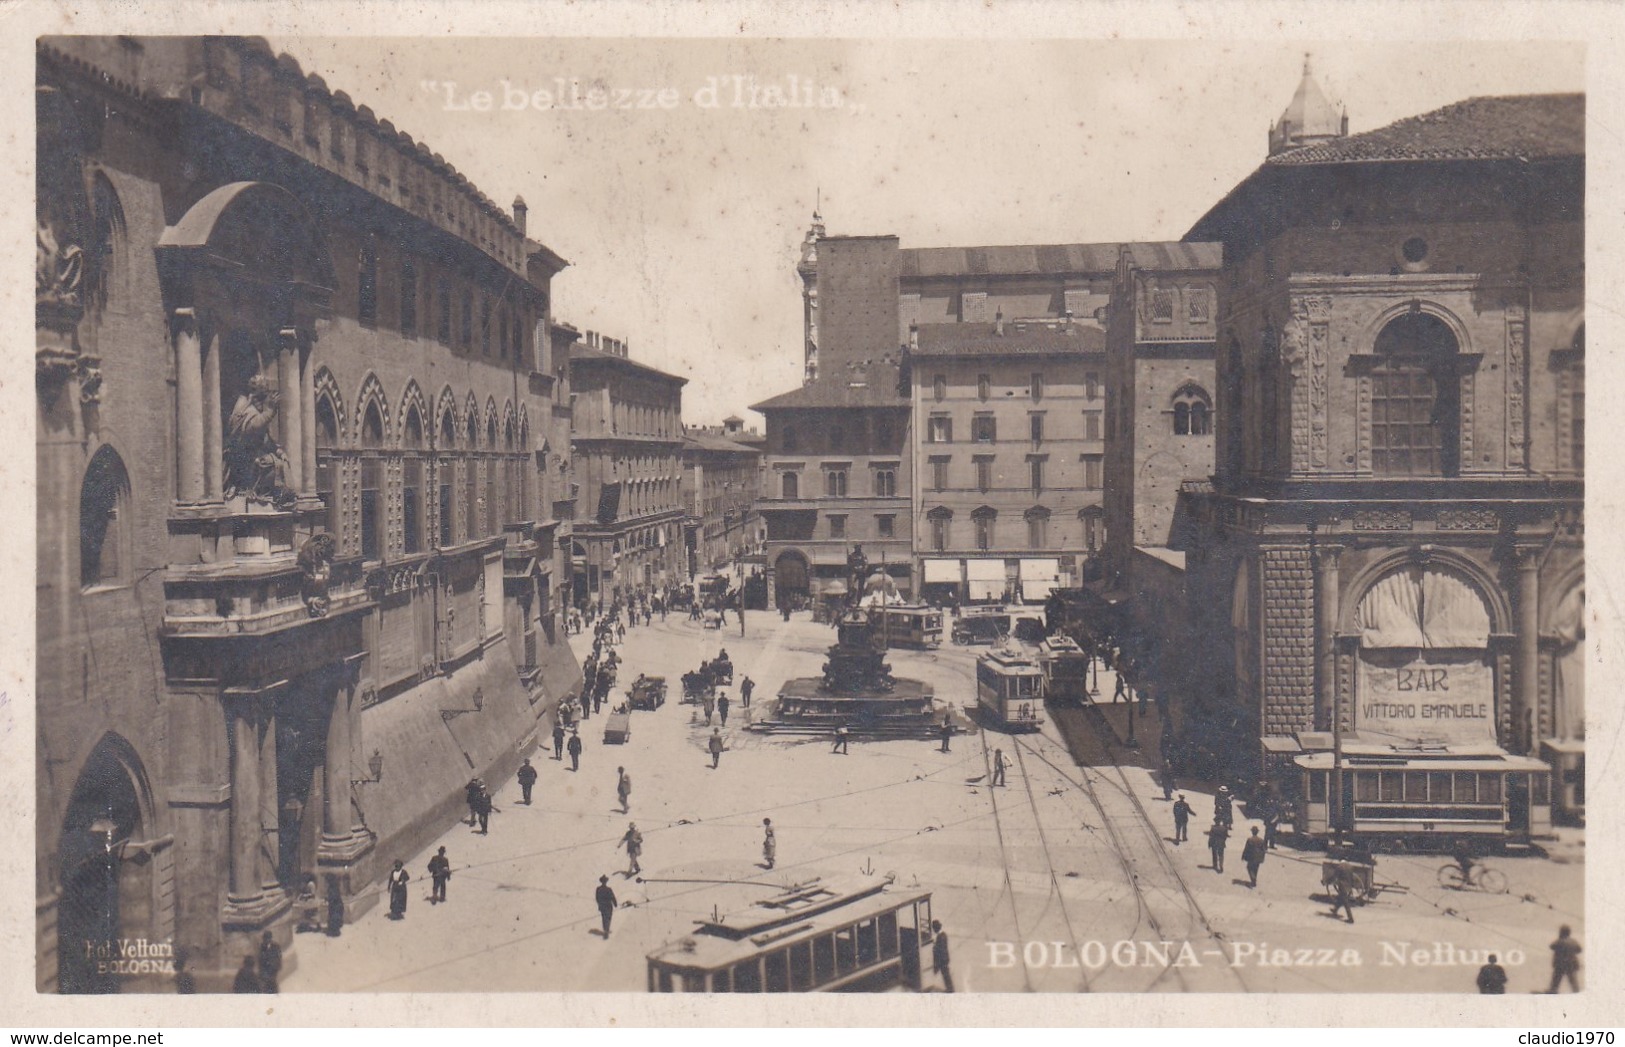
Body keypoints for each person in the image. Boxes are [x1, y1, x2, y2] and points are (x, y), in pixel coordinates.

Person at [1547, 925, 1581, 993]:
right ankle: (1576, 992)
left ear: (1561, 933)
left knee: (1556, 980)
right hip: (1571, 965)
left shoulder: (1560, 941)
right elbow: (1579, 950)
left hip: (1560, 965)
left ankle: (1553, 990)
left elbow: (1552, 946)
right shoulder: (1573, 941)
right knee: (1573, 982)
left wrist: (1559, 938)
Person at [931, 920, 954, 993]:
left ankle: (950, 990)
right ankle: (950, 989)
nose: (933, 930)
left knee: (946, 975)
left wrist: (934, 948)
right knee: (946, 975)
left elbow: (939, 949)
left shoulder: (940, 937)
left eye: (934, 928)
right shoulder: (943, 935)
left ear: (936, 928)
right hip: (945, 958)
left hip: (942, 960)